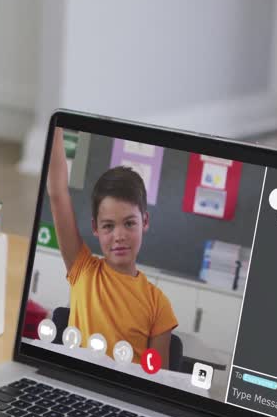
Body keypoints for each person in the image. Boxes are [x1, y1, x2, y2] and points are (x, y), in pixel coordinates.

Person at [46, 128, 178, 360]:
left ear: (144, 221)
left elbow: (159, 378)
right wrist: (56, 125)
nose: (119, 235)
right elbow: (57, 193)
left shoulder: (159, 304)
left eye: (129, 223)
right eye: (108, 226)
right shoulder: (82, 268)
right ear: (95, 228)